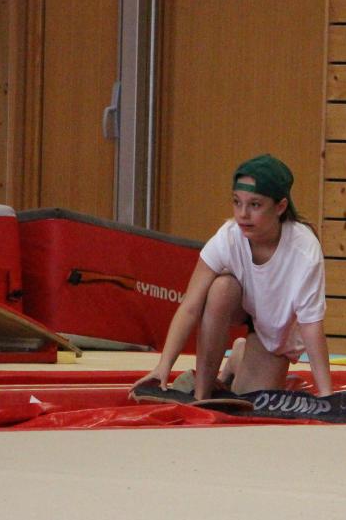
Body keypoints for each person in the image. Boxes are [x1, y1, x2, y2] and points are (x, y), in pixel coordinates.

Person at [131, 154, 331, 401]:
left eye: (255, 205)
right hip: (242, 305)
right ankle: (202, 391)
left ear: (280, 207)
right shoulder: (228, 237)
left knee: (252, 400)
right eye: (237, 202)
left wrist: (326, 394)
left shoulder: (304, 250)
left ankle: (238, 356)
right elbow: (190, 306)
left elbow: (311, 326)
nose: (243, 214)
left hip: (274, 332)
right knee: (220, 289)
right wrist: (164, 365)